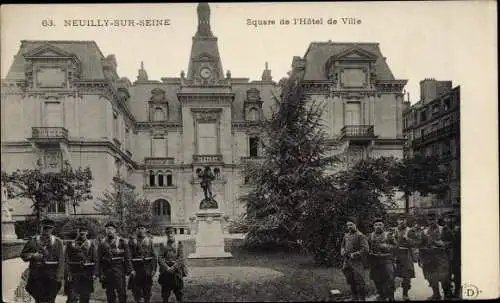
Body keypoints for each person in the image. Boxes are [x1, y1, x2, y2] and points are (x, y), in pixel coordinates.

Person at [20, 218, 65, 303]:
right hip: (37, 275)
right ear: (41, 228)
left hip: (52, 275)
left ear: (52, 229)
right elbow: (23, 254)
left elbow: (61, 260)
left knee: (51, 299)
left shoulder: (57, 242)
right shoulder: (33, 241)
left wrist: (59, 276)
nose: (47, 231)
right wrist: (33, 255)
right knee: (38, 299)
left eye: (49, 228)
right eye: (45, 228)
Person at [97, 221, 135, 303]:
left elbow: (127, 257)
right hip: (107, 271)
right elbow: (98, 259)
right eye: (107, 229)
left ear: (115, 230)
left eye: (111, 229)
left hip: (119, 271)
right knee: (110, 294)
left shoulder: (122, 242)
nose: (109, 231)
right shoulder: (102, 243)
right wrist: (99, 273)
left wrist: (131, 269)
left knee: (122, 293)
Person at [420, 212, 454, 300]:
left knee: (444, 277)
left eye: (433, 219)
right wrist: (421, 259)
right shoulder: (424, 231)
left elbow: (452, 241)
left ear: (437, 219)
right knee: (431, 277)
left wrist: (442, 244)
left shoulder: (444, 229)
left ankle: (447, 294)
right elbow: (421, 245)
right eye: (429, 220)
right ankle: (436, 294)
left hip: (441, 257)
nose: (431, 222)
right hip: (429, 259)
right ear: (427, 220)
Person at [65, 224, 97, 303]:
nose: (82, 235)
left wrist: (94, 273)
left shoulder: (91, 244)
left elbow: (95, 260)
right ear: (77, 233)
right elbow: (66, 260)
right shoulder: (71, 244)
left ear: (87, 233)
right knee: (72, 298)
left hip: (87, 274)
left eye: (84, 233)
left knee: (85, 298)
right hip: (74, 273)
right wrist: (68, 273)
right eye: (80, 233)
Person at [340, 216, 369, 301]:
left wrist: (354, 254)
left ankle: (362, 299)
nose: (349, 227)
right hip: (347, 262)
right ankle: (354, 298)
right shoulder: (346, 235)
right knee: (351, 280)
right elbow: (342, 245)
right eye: (348, 225)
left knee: (359, 282)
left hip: (357, 263)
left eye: (351, 225)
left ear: (355, 225)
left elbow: (365, 249)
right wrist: (342, 250)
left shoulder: (360, 236)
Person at [368, 217, 397, 301]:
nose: (378, 226)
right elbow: (367, 247)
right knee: (376, 278)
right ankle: (381, 295)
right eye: (376, 225)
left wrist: (386, 246)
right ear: (373, 226)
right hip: (375, 260)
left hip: (386, 259)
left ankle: (391, 296)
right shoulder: (370, 236)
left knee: (390, 278)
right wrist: (369, 253)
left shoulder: (388, 235)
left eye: (380, 224)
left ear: (383, 226)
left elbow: (396, 246)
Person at [128, 223, 158, 303]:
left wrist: (154, 269)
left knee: (147, 291)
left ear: (145, 230)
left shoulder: (149, 241)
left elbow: (154, 256)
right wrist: (131, 269)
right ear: (136, 230)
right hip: (136, 270)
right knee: (136, 292)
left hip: (147, 269)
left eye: (142, 228)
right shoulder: (132, 241)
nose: (140, 230)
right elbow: (129, 257)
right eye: (138, 228)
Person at [392, 214, 419, 301]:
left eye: (403, 219)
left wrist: (407, 239)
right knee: (394, 275)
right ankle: (390, 294)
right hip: (397, 255)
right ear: (397, 221)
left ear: (406, 221)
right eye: (400, 219)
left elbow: (416, 242)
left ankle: (405, 294)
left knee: (406, 276)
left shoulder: (410, 231)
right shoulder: (394, 231)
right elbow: (391, 242)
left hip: (407, 255)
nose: (402, 221)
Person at [158, 227, 188, 303]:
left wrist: (174, 267)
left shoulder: (179, 243)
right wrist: (167, 267)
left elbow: (181, 258)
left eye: (171, 233)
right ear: (166, 234)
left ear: (174, 233)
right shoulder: (163, 244)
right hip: (166, 272)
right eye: (168, 233)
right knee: (165, 294)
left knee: (179, 293)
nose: (170, 235)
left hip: (176, 271)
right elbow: (160, 257)